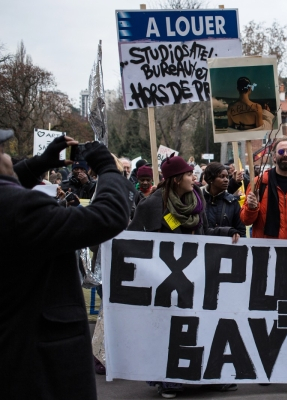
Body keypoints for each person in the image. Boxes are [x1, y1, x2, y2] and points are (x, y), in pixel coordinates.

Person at [0, 132, 134, 399]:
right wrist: (108, 169)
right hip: (35, 362)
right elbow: (108, 216)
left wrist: (39, 164)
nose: (8, 156)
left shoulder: (14, 206)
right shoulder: (19, 208)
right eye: (3, 150)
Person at [128, 155, 239, 398]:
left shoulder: (196, 200)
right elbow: (132, 239)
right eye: (189, 174)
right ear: (177, 180)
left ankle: (208, 377)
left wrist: (226, 231)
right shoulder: (150, 206)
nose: (193, 177)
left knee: (200, 326)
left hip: (196, 277)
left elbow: (205, 231)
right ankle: (168, 380)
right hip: (164, 281)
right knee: (168, 329)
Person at [241, 137, 287, 240]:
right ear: (274, 157)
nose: (285, 154)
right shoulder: (258, 183)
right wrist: (251, 208)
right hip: (266, 251)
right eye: (281, 151)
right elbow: (245, 220)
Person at [201, 162, 246, 238]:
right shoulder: (198, 200)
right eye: (222, 176)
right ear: (211, 179)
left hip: (226, 249)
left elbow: (241, 232)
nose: (226, 180)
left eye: (227, 177)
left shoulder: (233, 202)